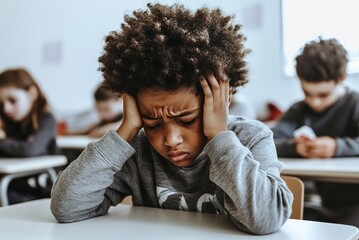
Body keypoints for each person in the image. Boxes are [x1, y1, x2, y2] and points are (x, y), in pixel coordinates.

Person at [50, 3, 292, 234]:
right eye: (153, 123)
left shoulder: (250, 138)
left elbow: (266, 219)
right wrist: (127, 128)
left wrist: (219, 135)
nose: (171, 139)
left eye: (186, 120)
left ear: (220, 101)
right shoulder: (138, 150)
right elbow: (67, 208)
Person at [272, 38, 359, 227]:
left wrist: (337, 147)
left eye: (323, 95)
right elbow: (269, 140)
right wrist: (296, 148)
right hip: (324, 205)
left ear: (342, 78)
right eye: (307, 93)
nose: (315, 102)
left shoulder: (356, 104)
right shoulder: (299, 110)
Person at [0, 68, 59, 204]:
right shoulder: (10, 123)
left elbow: (30, 149)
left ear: (32, 94)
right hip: (14, 185)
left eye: (12, 100)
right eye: (1, 104)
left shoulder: (46, 119)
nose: (6, 109)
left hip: (42, 192)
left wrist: (2, 139)